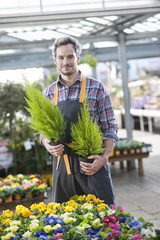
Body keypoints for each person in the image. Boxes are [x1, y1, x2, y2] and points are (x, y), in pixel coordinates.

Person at [41, 36, 118, 205]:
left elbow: (110, 127)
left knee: (104, 219)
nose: (65, 61)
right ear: (55, 60)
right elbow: (43, 130)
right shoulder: (48, 93)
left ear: (78, 57)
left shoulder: (96, 87)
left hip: (92, 165)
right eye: (61, 57)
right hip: (63, 167)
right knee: (65, 223)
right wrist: (46, 143)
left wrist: (104, 157)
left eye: (70, 56)